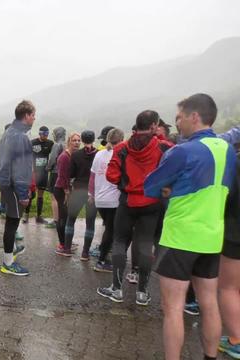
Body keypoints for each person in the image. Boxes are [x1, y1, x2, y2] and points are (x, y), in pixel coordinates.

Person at [144, 94, 235, 360]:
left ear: (194, 116)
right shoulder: (227, 149)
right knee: (209, 303)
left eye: (180, 117)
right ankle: (210, 356)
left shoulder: (181, 151)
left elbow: (150, 186)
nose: (178, 124)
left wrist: (171, 188)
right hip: (211, 237)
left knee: (173, 307)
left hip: (180, 237)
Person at [98, 110, 172, 306]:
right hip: (152, 203)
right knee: (146, 245)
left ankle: (116, 289)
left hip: (128, 201)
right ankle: (142, 292)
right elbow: (174, 170)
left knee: (120, 241)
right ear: (155, 125)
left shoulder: (122, 147)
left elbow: (111, 176)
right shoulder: (164, 147)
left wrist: (126, 184)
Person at [0, 100, 36, 276]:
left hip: (5, 182)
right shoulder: (20, 137)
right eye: (33, 115)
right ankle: (7, 263)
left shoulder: (10, 132)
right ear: (26, 116)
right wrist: (23, 194)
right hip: (12, 185)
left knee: (12, 221)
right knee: (12, 223)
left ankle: (11, 251)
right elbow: (20, 169)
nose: (34, 118)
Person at [56, 130, 98, 260]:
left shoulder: (76, 155)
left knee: (71, 220)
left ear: (82, 140)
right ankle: (85, 253)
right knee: (90, 223)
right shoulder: (99, 154)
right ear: (93, 139)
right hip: (93, 192)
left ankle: (67, 249)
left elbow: (71, 174)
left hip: (78, 190)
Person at [90, 128, 124, 272]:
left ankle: (104, 257)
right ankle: (102, 261)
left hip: (100, 199)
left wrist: (91, 194)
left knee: (109, 229)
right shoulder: (121, 154)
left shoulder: (99, 154)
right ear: (121, 140)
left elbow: (92, 177)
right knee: (111, 230)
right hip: (114, 200)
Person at [219, 147, 240, 359]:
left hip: (235, 230)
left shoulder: (234, 162)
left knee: (229, 288)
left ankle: (236, 340)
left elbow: (225, 193)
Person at [52, 133, 81, 252]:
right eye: (74, 140)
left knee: (67, 216)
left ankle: (66, 240)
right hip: (61, 190)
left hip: (68, 189)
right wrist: (67, 192)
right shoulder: (64, 156)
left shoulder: (74, 155)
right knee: (62, 217)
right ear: (69, 142)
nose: (77, 142)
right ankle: (62, 244)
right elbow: (62, 176)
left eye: (79, 140)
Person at [25, 126, 54, 224]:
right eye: (43, 134)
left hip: (44, 173)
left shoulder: (50, 143)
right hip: (33, 172)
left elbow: (54, 156)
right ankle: (26, 216)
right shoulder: (32, 142)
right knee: (30, 194)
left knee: (40, 195)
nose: (45, 136)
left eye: (46, 134)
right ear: (39, 133)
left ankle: (38, 217)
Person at [46, 126, 67, 229]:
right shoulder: (68, 144)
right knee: (63, 197)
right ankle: (63, 219)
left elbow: (52, 159)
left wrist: (48, 168)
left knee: (54, 197)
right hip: (66, 174)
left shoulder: (56, 145)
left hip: (55, 173)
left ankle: (56, 220)